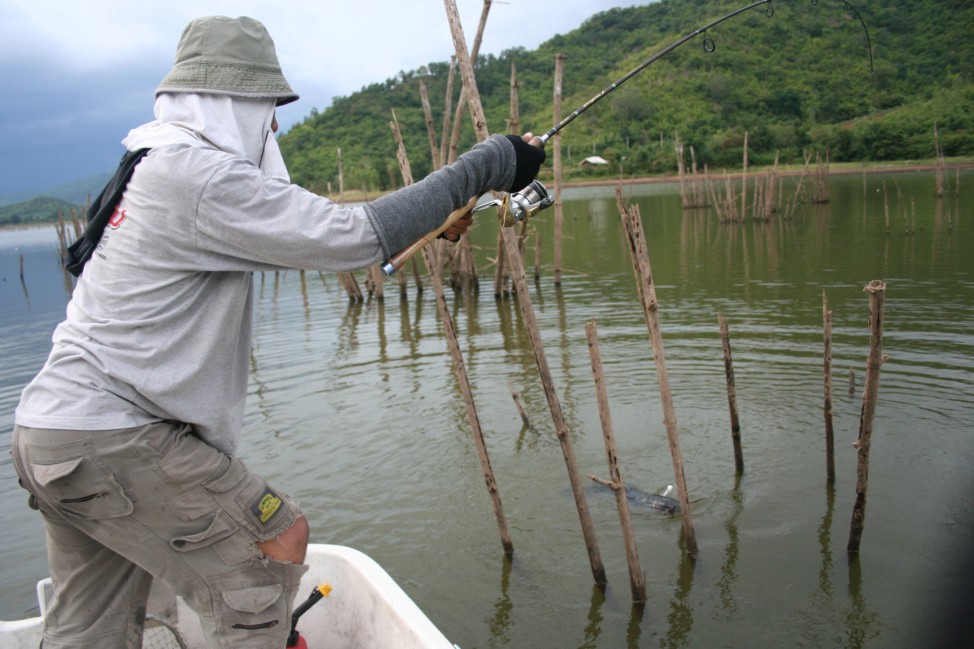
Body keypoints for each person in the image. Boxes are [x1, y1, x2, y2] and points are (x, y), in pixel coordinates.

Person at [10, 15, 545, 649]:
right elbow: (355, 237)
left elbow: (321, 238)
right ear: (232, 101)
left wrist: (437, 217)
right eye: (267, 106)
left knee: (87, 629)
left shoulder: (152, 167)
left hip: (51, 436)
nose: (275, 124)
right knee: (276, 543)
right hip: (114, 437)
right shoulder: (197, 177)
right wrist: (491, 163)